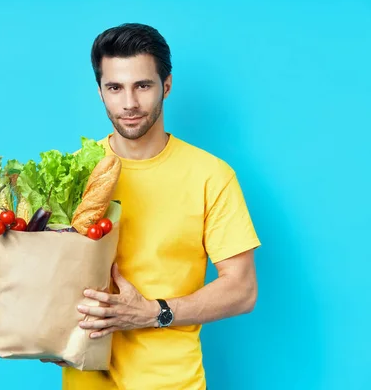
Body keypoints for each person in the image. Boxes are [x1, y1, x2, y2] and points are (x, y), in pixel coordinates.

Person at [46, 23, 261, 390]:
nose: (129, 103)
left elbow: (242, 290)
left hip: (169, 381)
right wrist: (46, 326)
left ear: (167, 85)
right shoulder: (75, 172)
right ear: (100, 92)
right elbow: (48, 274)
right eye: (115, 88)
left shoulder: (211, 175)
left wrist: (152, 313)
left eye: (142, 86)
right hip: (83, 376)